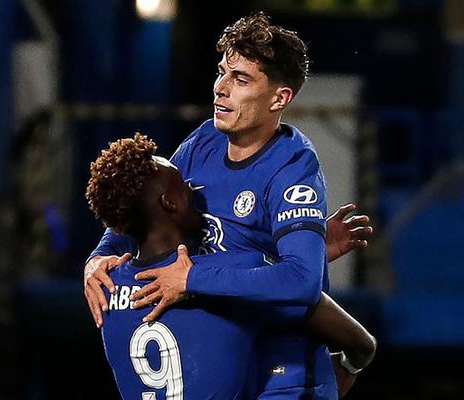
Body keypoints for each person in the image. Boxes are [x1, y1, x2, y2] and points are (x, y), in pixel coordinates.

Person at [84, 12, 373, 399]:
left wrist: (192, 280)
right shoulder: (203, 142)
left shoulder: (292, 165)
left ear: (279, 98)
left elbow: (302, 284)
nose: (220, 88)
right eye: (222, 73)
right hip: (228, 363)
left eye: (240, 79)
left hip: (281, 377)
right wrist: (98, 257)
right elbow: (142, 202)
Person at [85, 134, 376, 399]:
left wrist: (95, 258)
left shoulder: (105, 288)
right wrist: (308, 251)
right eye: (183, 183)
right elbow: (353, 335)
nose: (193, 188)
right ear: (170, 203)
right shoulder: (229, 277)